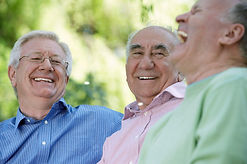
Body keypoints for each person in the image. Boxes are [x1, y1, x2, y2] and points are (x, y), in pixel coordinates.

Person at [139, 0, 247, 163]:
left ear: (230, 34)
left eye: (196, 12)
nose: (179, 17)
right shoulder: (163, 125)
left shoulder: (234, 84)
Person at [0, 30, 123, 164]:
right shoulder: (2, 137)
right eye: (35, 58)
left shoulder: (103, 121)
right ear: (13, 74)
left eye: (56, 61)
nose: (47, 66)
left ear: (66, 80)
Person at [98, 26, 186, 164]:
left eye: (159, 54)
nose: (145, 64)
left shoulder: (198, 107)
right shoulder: (114, 140)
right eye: (137, 53)